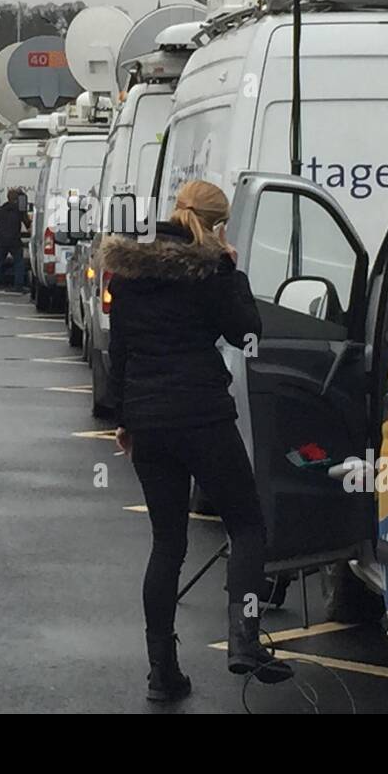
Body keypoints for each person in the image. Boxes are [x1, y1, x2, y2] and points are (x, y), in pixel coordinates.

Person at [99, 179, 292, 703]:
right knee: (246, 524)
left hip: (149, 421)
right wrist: (232, 271)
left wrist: (123, 416)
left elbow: (120, 348)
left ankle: (162, 671)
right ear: (218, 224)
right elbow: (245, 333)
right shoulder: (211, 271)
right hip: (203, 417)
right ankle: (244, 641)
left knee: (167, 543)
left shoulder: (132, 266)